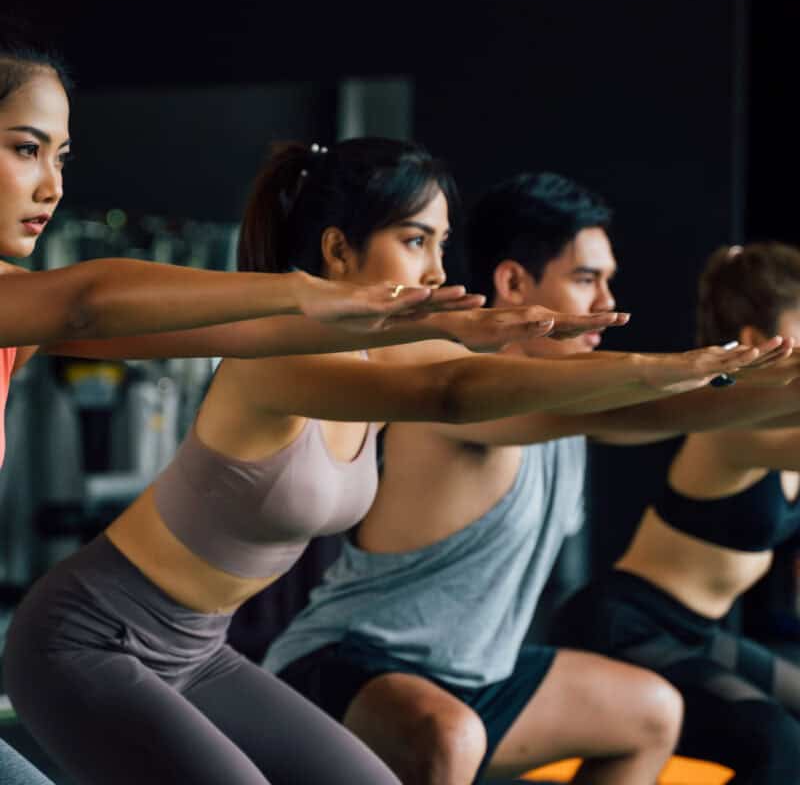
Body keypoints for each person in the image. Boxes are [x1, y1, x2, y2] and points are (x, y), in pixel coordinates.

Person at [3, 144, 765, 785]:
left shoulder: (387, 349)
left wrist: (715, 382)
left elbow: (567, 407)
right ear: (338, 249)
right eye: (414, 240)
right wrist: (653, 372)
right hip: (91, 636)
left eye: (440, 243)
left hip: (201, 649)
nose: (436, 271)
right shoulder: (273, 354)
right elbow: (454, 390)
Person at [265, 173, 800, 785]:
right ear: (514, 282)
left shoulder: (572, 410)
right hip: (350, 664)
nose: (605, 302)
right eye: (584, 279)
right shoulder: (470, 394)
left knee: (652, 712)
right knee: (449, 737)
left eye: (606, 279)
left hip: (482, 676)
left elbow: (666, 412)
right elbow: (655, 407)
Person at [552, 242, 800, 784]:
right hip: (625, 624)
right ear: (759, 343)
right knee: (778, 743)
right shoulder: (736, 431)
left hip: (695, 632)